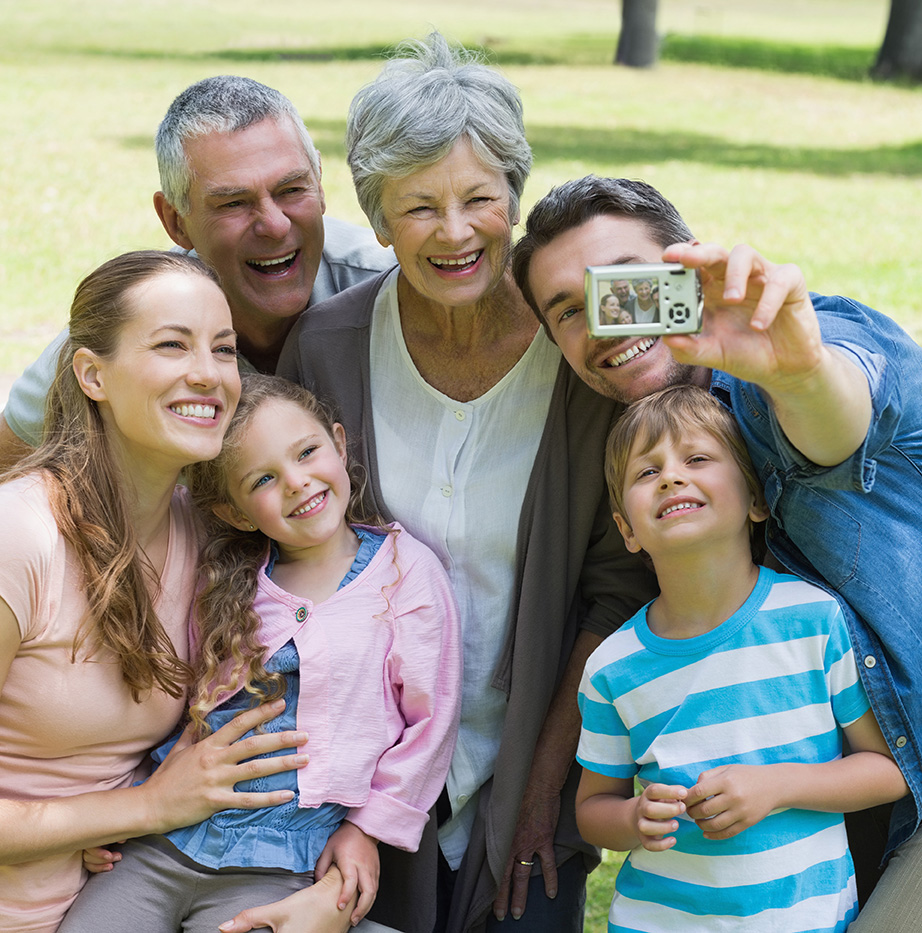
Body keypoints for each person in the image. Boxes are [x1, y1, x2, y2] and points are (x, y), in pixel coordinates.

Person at [278, 36, 654, 933]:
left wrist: (544, 781)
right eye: (419, 207)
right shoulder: (325, 348)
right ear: (374, 219)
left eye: (480, 199)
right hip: (354, 791)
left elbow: (614, 584)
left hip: (531, 769)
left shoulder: (581, 352)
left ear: (515, 200)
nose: (455, 232)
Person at [511, 175, 922, 928]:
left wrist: (795, 371)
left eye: (623, 282)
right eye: (570, 310)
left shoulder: (800, 352)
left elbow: (834, 424)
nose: (605, 319)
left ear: (687, 269)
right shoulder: (651, 462)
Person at [58, 373, 460, 933]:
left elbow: (429, 723)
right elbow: (181, 711)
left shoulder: (403, 574)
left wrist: (368, 829)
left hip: (280, 863)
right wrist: (129, 805)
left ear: (340, 445)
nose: (296, 482)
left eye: (308, 452)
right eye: (264, 478)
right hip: (161, 846)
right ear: (236, 513)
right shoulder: (230, 582)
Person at [0, 251, 329, 933]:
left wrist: (342, 879)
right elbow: (167, 794)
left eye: (223, 348)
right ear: (93, 373)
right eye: (172, 345)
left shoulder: (206, 535)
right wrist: (146, 806)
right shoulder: (20, 535)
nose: (209, 373)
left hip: (132, 898)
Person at [577, 385, 907, 931]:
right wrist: (634, 818)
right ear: (627, 530)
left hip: (806, 920)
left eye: (698, 458)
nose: (672, 476)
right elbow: (593, 811)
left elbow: (886, 769)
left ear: (756, 501)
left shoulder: (814, 620)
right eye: (646, 472)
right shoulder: (613, 667)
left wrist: (778, 787)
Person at [0, 75, 394, 467]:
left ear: (320, 185)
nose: (274, 225)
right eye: (233, 203)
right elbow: (9, 457)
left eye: (291, 190)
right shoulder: (130, 326)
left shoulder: (392, 291)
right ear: (175, 221)